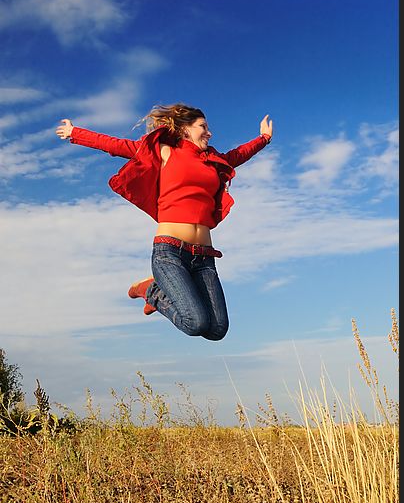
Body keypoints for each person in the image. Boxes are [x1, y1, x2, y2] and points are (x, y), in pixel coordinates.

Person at [56, 103, 273, 341]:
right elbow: (118, 146)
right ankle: (152, 290)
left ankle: (156, 290)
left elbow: (236, 156)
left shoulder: (212, 159)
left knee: (217, 330)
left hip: (204, 258)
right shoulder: (165, 151)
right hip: (170, 253)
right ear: (184, 129)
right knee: (195, 323)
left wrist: (263, 138)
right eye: (203, 127)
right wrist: (76, 133)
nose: (209, 133)